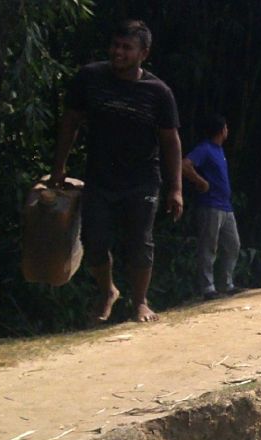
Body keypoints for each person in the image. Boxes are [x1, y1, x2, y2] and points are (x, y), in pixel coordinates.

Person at [50, 19, 182, 323]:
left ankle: (140, 302)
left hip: (143, 180)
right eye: (115, 45)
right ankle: (108, 290)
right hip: (99, 177)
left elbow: (171, 142)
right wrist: (59, 167)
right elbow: (70, 122)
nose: (118, 52)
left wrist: (176, 189)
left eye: (127, 47)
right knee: (94, 239)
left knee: (140, 241)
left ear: (143, 53)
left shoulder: (158, 92)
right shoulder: (90, 78)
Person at [183, 113, 241, 300]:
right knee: (209, 246)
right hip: (210, 205)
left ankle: (226, 283)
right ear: (222, 130)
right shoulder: (205, 149)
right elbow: (185, 165)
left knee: (233, 244)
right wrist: (200, 182)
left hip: (225, 205)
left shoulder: (218, 150)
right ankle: (208, 288)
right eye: (226, 127)